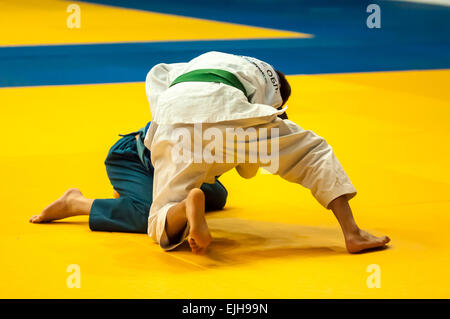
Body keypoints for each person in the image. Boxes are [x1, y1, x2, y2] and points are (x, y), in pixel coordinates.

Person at [143, 51, 390, 254]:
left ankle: (185, 204)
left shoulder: (208, 61)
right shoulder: (270, 83)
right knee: (312, 151)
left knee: (159, 218)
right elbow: (250, 165)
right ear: (279, 99)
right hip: (225, 107)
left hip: (170, 116)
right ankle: (353, 233)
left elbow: (157, 74)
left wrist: (162, 128)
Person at [29, 121, 228, 234]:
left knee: (218, 196)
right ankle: (76, 203)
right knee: (151, 217)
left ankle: (134, 191)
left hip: (168, 163)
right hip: (131, 158)